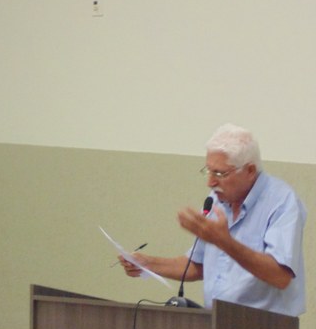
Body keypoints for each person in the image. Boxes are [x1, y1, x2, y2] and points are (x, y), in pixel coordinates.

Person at [119, 123, 306, 317]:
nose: (210, 182)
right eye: (208, 171)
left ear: (250, 171)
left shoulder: (281, 202)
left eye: (220, 173)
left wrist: (224, 241)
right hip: (217, 323)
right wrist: (147, 263)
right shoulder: (217, 200)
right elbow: (197, 266)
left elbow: (280, 276)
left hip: (265, 328)